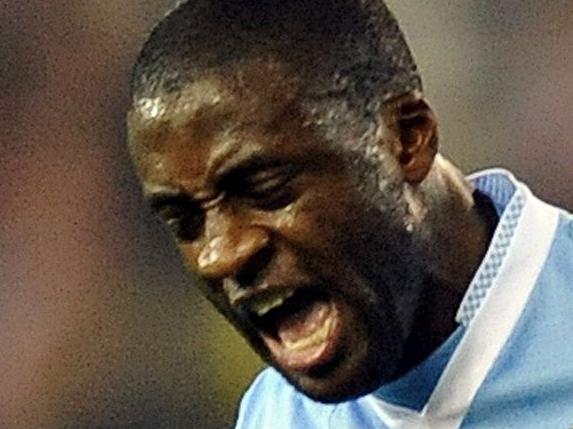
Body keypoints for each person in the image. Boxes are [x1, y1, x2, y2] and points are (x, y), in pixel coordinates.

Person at [126, 0, 573, 427]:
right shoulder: (274, 415)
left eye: (266, 189)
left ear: (406, 137)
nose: (219, 256)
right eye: (186, 223)